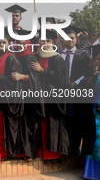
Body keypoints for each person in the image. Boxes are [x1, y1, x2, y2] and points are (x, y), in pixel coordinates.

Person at [30, 30, 73, 159]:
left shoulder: (57, 58)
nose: (45, 43)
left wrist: (42, 70)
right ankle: (38, 151)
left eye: (48, 41)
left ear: (52, 42)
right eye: (43, 40)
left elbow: (59, 78)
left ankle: (51, 153)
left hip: (51, 98)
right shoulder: (35, 57)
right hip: (37, 97)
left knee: (51, 125)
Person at [61, 26, 95, 155]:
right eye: (67, 38)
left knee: (77, 120)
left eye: (72, 38)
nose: (70, 41)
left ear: (76, 39)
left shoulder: (83, 55)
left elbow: (89, 73)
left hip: (77, 93)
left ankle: (74, 147)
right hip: (62, 93)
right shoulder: (59, 55)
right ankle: (64, 147)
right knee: (64, 120)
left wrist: (76, 83)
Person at [11, 30, 45, 160]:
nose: (21, 45)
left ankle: (31, 152)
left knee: (31, 125)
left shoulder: (31, 58)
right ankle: (23, 151)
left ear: (28, 44)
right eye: (18, 43)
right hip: (20, 96)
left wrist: (21, 77)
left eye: (23, 43)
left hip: (31, 97)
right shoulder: (15, 57)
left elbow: (35, 80)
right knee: (22, 125)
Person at [0, 35, 22, 163]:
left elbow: (14, 79)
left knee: (6, 125)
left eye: (4, 42)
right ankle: (0, 151)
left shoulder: (11, 58)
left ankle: (7, 152)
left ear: (9, 44)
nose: (1, 44)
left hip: (8, 98)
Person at [83, 44, 100, 180]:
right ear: (94, 60)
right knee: (93, 142)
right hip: (93, 113)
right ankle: (92, 173)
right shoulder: (92, 75)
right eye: (99, 59)